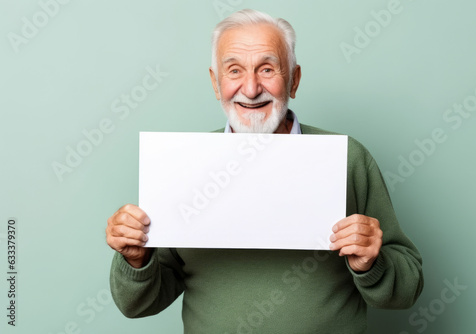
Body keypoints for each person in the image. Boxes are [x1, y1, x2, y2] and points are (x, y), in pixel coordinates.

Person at [106, 9, 423, 333]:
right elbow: (138, 305)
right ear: (216, 83)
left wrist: (372, 263)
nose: (252, 87)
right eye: (234, 71)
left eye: (267, 69)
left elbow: (408, 288)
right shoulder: (183, 166)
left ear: (294, 79)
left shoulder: (348, 158)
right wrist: (136, 260)